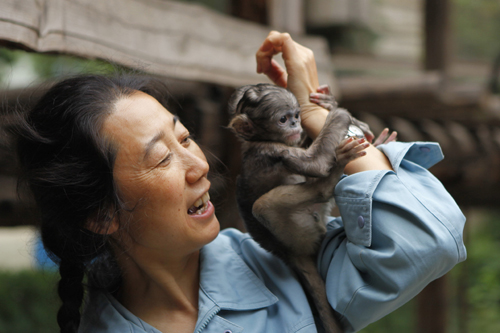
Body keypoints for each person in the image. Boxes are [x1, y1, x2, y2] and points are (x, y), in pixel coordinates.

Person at [13, 31, 466, 333]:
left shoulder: (279, 263)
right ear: (102, 214)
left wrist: (316, 114)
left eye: (185, 137)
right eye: (162, 157)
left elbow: (426, 241)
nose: (199, 167)